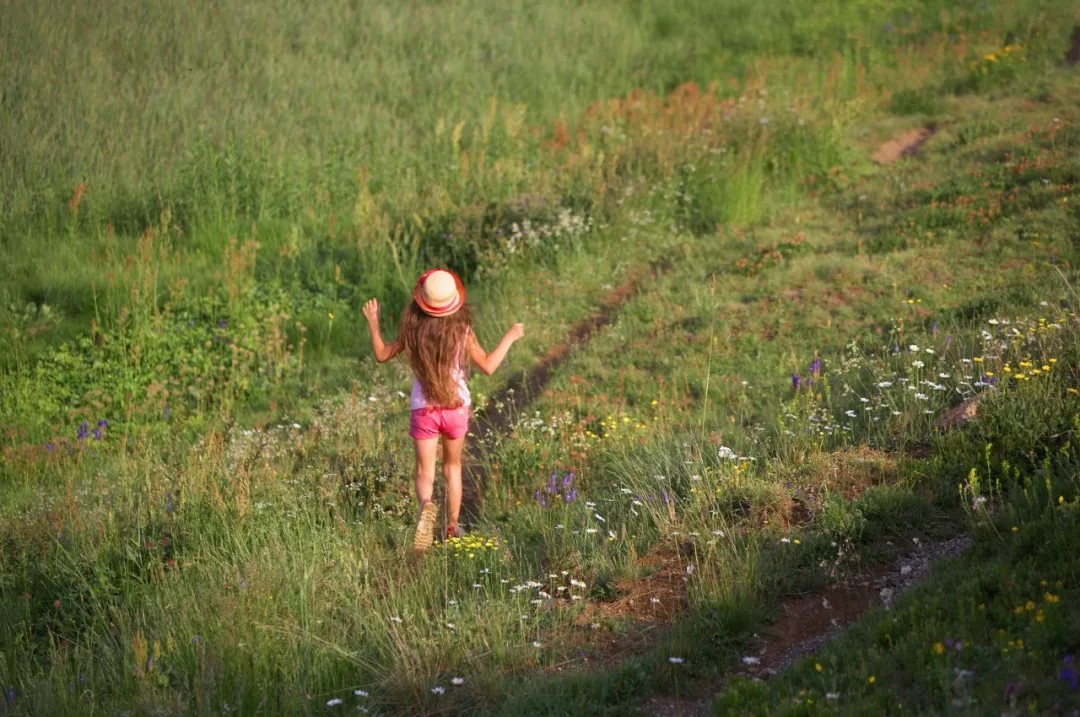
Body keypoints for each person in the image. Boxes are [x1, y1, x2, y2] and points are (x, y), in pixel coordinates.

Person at [363, 268, 524, 554]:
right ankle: (452, 528)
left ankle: (426, 506)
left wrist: (374, 324)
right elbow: (487, 365)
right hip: (456, 408)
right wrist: (510, 337)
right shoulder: (461, 331)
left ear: (422, 301)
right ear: (454, 302)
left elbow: (381, 355)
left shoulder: (412, 328)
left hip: (423, 409)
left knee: (425, 472)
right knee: (453, 468)